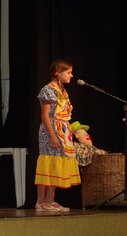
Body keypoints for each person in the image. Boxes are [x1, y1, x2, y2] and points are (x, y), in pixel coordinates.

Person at [34, 59, 81, 212]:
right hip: (51, 129)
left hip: (62, 130)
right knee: (48, 162)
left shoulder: (61, 90)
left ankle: (50, 200)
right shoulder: (48, 89)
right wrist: (52, 135)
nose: (71, 75)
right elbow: (45, 115)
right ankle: (41, 201)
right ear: (57, 73)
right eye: (68, 72)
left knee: (56, 163)